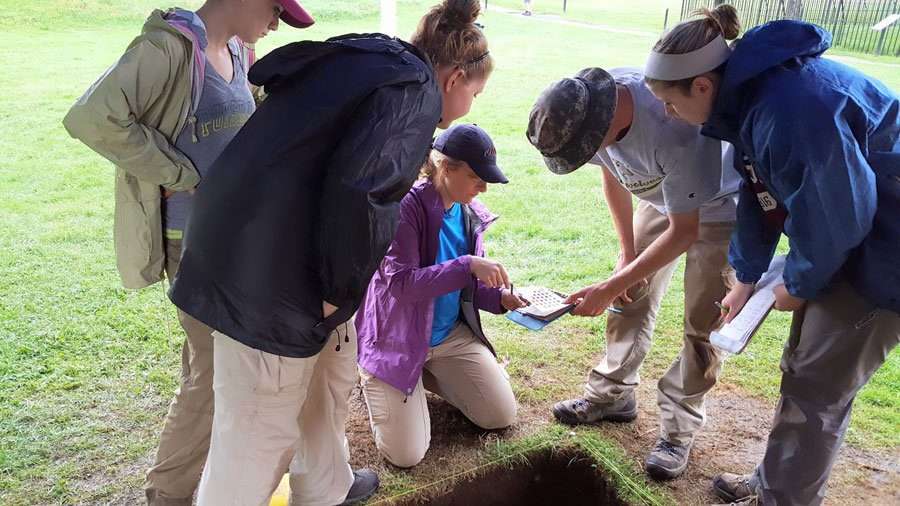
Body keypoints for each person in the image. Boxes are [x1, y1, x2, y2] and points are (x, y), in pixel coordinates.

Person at [168, 1, 495, 504]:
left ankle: (327, 489)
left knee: (329, 375)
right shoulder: (414, 94)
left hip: (265, 242)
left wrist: (337, 303)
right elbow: (361, 191)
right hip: (266, 278)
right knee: (257, 433)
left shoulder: (381, 63)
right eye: (476, 90)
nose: (473, 100)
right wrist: (336, 293)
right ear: (454, 78)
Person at [642, 5, 900, 505]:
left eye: (669, 104)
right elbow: (758, 191)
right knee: (805, 367)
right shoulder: (750, 97)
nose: (669, 116)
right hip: (861, 231)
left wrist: (797, 284)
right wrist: (747, 275)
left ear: (701, 85)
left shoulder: (788, 109)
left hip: (887, 248)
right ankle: (774, 484)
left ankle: (782, 499)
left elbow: (840, 214)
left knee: (817, 386)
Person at [61, 1, 313, 504]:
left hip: (235, 239)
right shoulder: (169, 49)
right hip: (194, 246)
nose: (275, 22)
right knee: (211, 375)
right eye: (274, 9)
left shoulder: (240, 51)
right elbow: (92, 117)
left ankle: (199, 483)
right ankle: (168, 494)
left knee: (212, 369)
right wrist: (181, 173)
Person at [527, 63, 740, 480]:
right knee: (629, 296)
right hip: (659, 198)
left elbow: (685, 231)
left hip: (717, 209)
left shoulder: (674, 130)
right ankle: (612, 394)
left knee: (704, 321)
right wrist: (626, 256)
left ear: (604, 123)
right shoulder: (593, 104)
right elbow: (614, 173)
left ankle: (679, 428)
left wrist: (609, 285)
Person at [356, 124, 526, 468]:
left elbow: (469, 286)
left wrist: (500, 299)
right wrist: (467, 265)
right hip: (397, 339)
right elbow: (402, 285)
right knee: (407, 456)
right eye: (476, 176)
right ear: (445, 167)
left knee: (499, 415)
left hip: (448, 335)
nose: (484, 187)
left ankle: (427, 375)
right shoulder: (405, 207)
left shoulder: (468, 213)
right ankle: (378, 377)